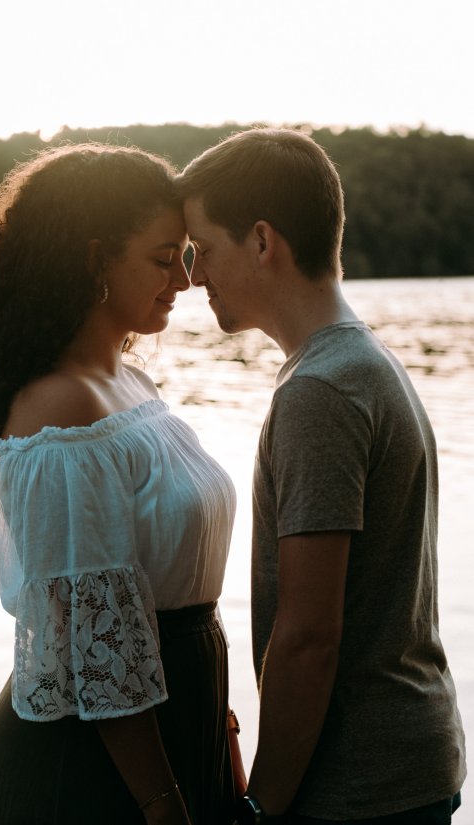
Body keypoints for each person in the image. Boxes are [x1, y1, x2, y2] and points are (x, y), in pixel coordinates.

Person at [177, 128, 467, 824]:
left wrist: (262, 805)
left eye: (203, 249)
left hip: (362, 790)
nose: (193, 276)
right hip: (405, 766)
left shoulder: (321, 391)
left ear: (263, 241)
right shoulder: (360, 361)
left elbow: (310, 635)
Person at [0, 143, 240, 825]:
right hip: (97, 764)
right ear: (93, 260)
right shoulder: (62, 409)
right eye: (162, 258)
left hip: (172, 729)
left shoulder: (129, 383)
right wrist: (164, 803)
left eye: (188, 255)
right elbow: (99, 655)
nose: (184, 278)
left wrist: (218, 729)